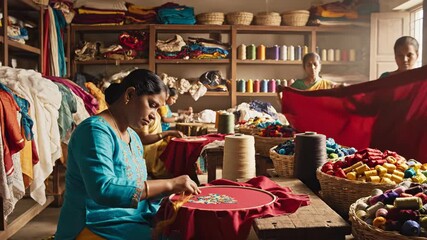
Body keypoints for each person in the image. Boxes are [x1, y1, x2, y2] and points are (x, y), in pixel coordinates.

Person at [55, 69, 200, 240]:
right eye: (152, 105)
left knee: (187, 226)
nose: (154, 115)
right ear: (130, 94)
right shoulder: (94, 131)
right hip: (97, 222)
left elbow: (136, 184)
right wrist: (169, 184)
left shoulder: (133, 137)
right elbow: (104, 189)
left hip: (132, 216)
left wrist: (173, 191)